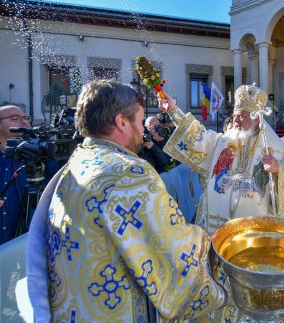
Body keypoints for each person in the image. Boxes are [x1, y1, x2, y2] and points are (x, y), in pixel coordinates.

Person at [27, 80, 227, 321]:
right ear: (122, 121)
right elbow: (173, 254)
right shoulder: (128, 173)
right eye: (141, 122)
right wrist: (210, 245)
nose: (143, 131)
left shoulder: (76, 163)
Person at [159, 83, 284, 322]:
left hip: (251, 243)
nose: (237, 121)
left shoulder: (278, 150)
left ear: (257, 118)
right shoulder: (221, 143)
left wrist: (279, 170)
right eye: (235, 116)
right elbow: (196, 136)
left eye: (243, 116)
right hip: (214, 235)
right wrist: (174, 110)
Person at [0, 105, 30, 245]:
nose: (24, 122)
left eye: (25, 118)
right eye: (15, 119)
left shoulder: (37, 156)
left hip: (23, 244)